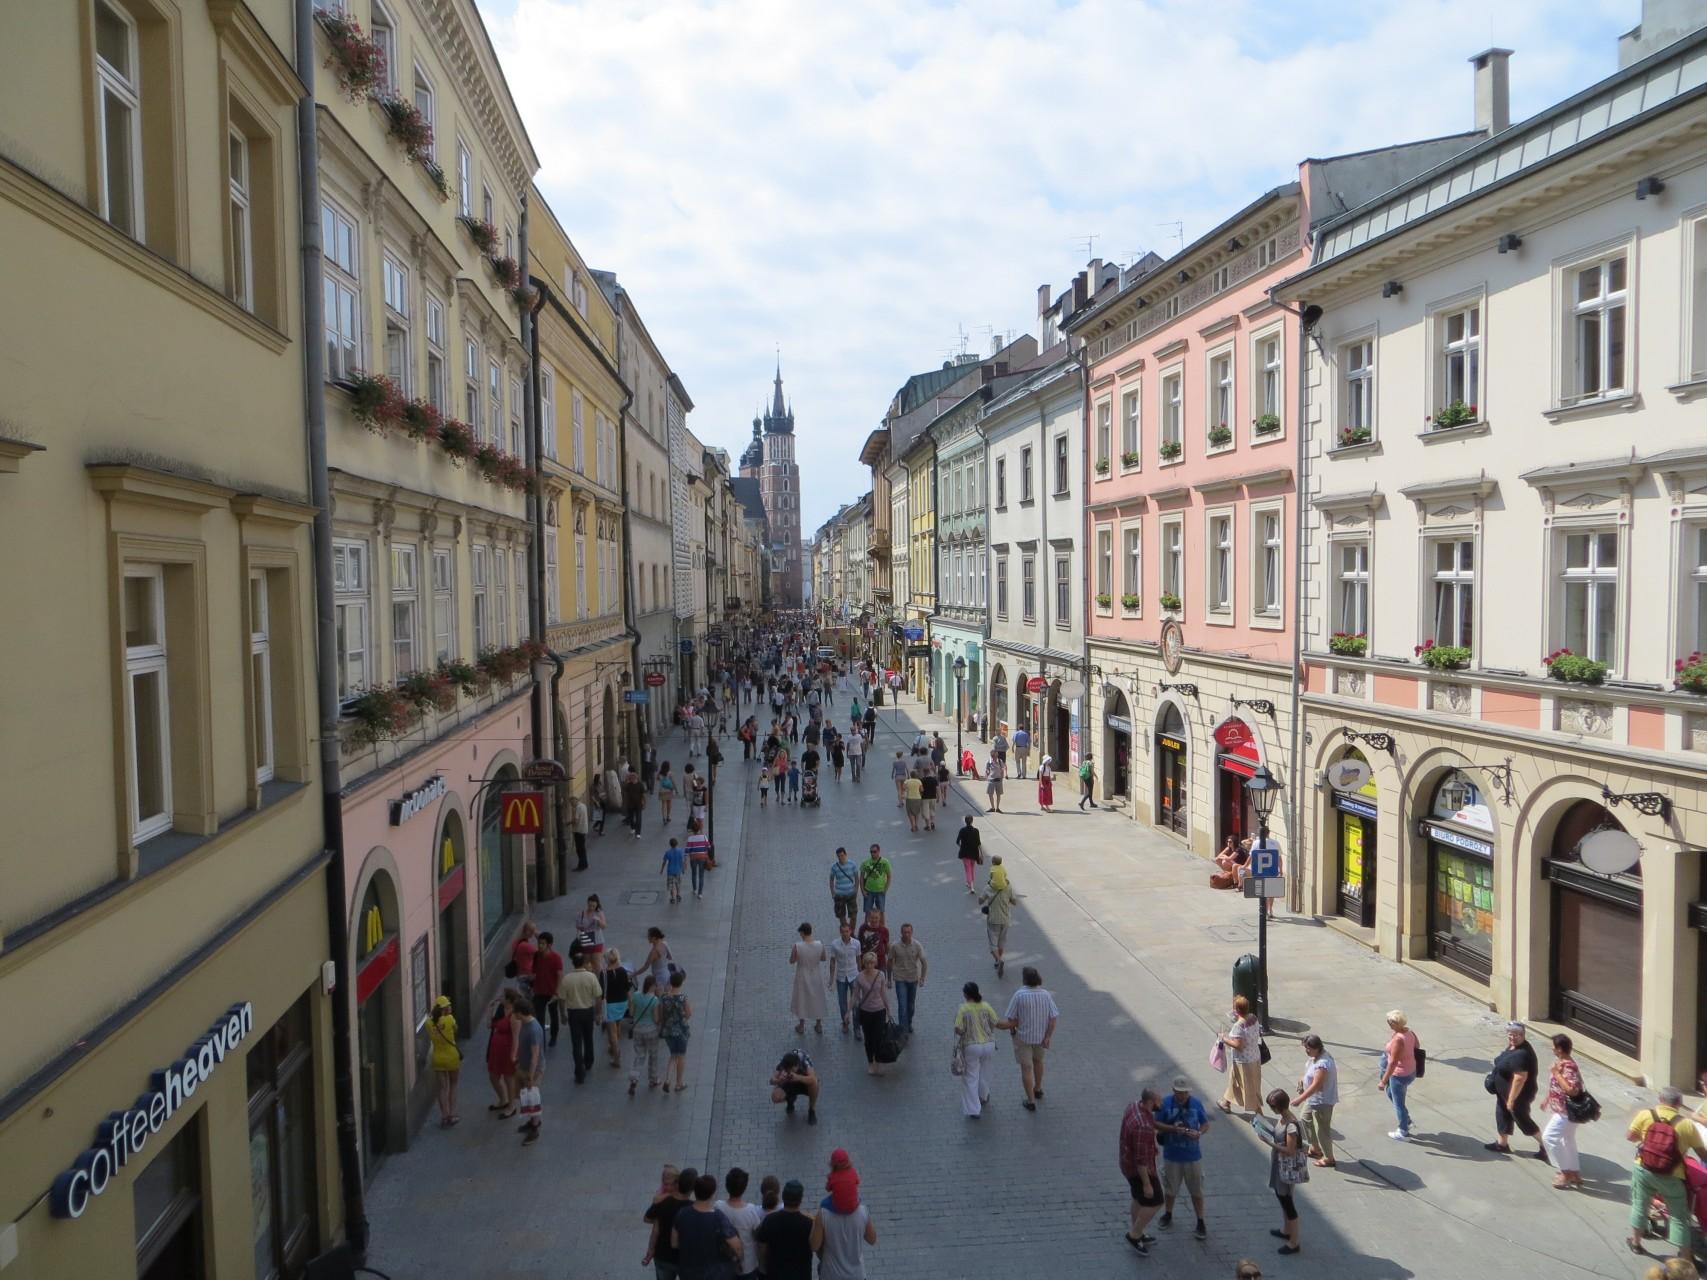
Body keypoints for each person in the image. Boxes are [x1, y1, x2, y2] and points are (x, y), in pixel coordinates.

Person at [1626, 1086, 1704, 1258]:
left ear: (1660, 1100)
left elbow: (1630, 1136)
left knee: (1639, 1205)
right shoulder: (1686, 1125)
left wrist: (1646, 1140)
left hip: (1643, 1168)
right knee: (1679, 1217)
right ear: (1679, 1104)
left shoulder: (1645, 1114)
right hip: (1672, 1176)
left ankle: (1636, 1243)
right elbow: (1702, 1154)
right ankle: (1685, 1257)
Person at [996, 966, 1058, 1110]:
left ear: (1024, 979)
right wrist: (1048, 1036)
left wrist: (1012, 1031)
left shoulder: (1019, 995)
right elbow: (1053, 1018)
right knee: (1038, 1062)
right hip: (1041, 1037)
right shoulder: (1046, 994)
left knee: (1026, 1068)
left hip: (1023, 1038)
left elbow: (1011, 1017)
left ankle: (1030, 1101)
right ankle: (1038, 1089)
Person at [1157, 1075, 1211, 1239]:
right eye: (1179, 1092)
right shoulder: (1165, 1103)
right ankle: (1168, 1213)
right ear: (1173, 1090)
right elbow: (1156, 1124)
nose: (1182, 1095)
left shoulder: (1196, 1103)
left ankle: (1200, 1220)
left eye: (1185, 1092)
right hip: (1172, 1155)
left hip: (1192, 1156)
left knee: (1197, 1190)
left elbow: (1205, 1123)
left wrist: (1199, 1133)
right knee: (1170, 1189)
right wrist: (1173, 1129)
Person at [1486, 1021, 1546, 1159]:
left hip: (1518, 1094)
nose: (1513, 1037)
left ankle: (1546, 1146)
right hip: (1505, 1093)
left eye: (1517, 1035)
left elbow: (1520, 1078)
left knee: (1522, 1119)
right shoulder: (1513, 1047)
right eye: (1510, 1034)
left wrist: (1511, 1100)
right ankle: (1502, 1143)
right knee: (1502, 1115)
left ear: (1523, 1035)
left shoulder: (1522, 1054)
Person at [1260, 1089, 1307, 1255]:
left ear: (1278, 1107)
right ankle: (1286, 1230)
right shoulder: (1284, 1118)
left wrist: (1269, 1143)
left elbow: (1290, 1150)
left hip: (1285, 1169)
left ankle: (1294, 1242)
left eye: (1272, 1107)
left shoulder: (1291, 1125)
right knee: (1282, 1198)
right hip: (1279, 1166)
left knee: (1287, 1202)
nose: (1271, 1109)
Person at [1119, 1087, 1164, 1255]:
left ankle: (1137, 1230)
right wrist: (1147, 1184)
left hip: (1126, 1162)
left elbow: (1150, 1125)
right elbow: (1141, 1160)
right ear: (1151, 1102)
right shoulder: (1143, 1126)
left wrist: (1156, 1139)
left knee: (1138, 1198)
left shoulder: (1134, 1106)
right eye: (1159, 1100)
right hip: (1139, 1170)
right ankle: (1134, 1235)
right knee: (1156, 1201)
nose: (1161, 1103)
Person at [1541, 1032, 1588, 1188]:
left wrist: (1556, 1073)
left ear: (1560, 1049)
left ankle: (1565, 1172)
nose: (1552, 1049)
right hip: (1564, 1110)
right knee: (1567, 1139)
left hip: (1566, 1112)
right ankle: (1574, 1173)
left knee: (1549, 1137)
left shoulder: (1568, 1066)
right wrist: (1548, 1098)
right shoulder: (1561, 1062)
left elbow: (1572, 1090)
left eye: (1553, 1047)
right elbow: (1557, 1086)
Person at [672, 1172, 740, 1279]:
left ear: (695, 1191)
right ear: (712, 1194)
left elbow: (674, 1244)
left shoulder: (682, 1213)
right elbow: (737, 1247)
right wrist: (737, 1259)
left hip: (688, 1273)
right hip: (713, 1274)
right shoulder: (718, 1218)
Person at [1292, 1034, 1339, 1168]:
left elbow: (1317, 1085)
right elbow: (1310, 1074)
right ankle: (1315, 1148)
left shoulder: (1322, 1064)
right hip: (1313, 1099)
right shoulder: (1316, 1057)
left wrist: (1300, 1099)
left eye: (1308, 1048)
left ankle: (1329, 1158)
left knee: (1322, 1130)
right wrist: (1303, 1080)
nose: (1306, 1051)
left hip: (1322, 1101)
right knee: (1305, 1118)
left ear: (1317, 1047)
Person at [954, 981, 999, 1118]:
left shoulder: (963, 1008)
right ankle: (983, 1095)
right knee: (985, 1071)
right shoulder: (986, 1005)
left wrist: (964, 1032)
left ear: (965, 995)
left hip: (972, 1046)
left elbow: (958, 1028)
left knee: (971, 1076)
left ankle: (974, 1109)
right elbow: (995, 1022)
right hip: (989, 1044)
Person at [753, 1180, 815, 1280]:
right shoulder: (809, 1224)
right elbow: (815, 1247)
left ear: (782, 1197)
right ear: (800, 1200)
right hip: (801, 1275)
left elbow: (762, 1249)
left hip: (775, 1275)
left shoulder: (770, 1220)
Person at [558, 951, 603, 1085]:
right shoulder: (591, 977)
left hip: (574, 1013)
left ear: (573, 963)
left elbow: (561, 999)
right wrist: (598, 1013)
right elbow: (598, 997)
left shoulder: (567, 979)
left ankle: (579, 1072)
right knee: (588, 1038)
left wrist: (563, 1014)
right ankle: (589, 1061)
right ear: (584, 963)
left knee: (576, 1042)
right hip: (588, 1011)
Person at [1376, 1009, 1419, 1141]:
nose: (1388, 1023)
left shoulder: (1399, 1039)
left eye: (1391, 1022)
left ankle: (1403, 1130)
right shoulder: (1409, 1032)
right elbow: (1417, 1046)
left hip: (1399, 1075)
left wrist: (1383, 1081)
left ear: (1397, 1023)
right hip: (1410, 1070)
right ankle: (1407, 1120)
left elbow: (1393, 1062)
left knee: (1398, 1103)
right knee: (1391, 1094)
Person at [809, 1196, 875, 1280]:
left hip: (831, 1275)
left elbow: (814, 1246)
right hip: (857, 1275)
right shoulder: (862, 1211)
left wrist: (814, 1225)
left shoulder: (823, 1214)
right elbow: (872, 1239)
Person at [716, 1168, 765, 1280]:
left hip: (725, 1263)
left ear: (726, 1186)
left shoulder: (718, 1207)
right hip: (747, 1264)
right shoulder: (751, 1210)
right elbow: (757, 1235)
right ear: (744, 1188)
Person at [1219, 995, 1263, 1115]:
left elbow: (1239, 1045)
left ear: (1237, 1010)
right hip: (1254, 1057)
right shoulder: (1253, 1018)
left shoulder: (1238, 1026)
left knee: (1248, 1087)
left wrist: (1224, 1039)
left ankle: (1259, 1113)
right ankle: (1226, 1103)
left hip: (1244, 1062)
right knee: (1233, 1080)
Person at [852, 952, 895, 1075]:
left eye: (871, 963)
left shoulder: (881, 975)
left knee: (878, 1038)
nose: (869, 965)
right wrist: (848, 1011)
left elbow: (883, 993)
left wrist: (888, 1010)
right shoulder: (859, 977)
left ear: (875, 963)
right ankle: (870, 1062)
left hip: (879, 1010)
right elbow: (855, 995)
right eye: (867, 963)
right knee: (868, 1039)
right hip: (866, 1011)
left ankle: (878, 1061)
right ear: (864, 964)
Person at [425, 994, 461, 1127]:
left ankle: (444, 1116)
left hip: (438, 1057)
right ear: (445, 1008)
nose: (450, 1007)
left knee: (442, 1088)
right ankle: (452, 1114)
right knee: (453, 1085)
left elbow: (430, 1022)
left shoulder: (429, 1023)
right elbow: (456, 1029)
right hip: (451, 1056)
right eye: (448, 1006)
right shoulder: (450, 1019)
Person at [513, 997, 544, 1146]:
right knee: (526, 1098)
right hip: (524, 1067)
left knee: (533, 1099)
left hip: (533, 1070)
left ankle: (535, 1128)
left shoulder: (533, 1029)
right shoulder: (525, 1024)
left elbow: (535, 1055)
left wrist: (531, 1077)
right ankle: (532, 1122)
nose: (514, 1015)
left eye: (515, 1012)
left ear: (520, 1012)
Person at [627, 975, 664, 1096]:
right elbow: (656, 1018)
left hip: (637, 1030)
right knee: (653, 1055)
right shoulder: (654, 1000)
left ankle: (634, 1079)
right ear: (652, 986)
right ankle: (653, 1079)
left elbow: (631, 1013)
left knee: (639, 1056)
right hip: (651, 1031)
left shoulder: (636, 995)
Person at [789, 922, 828, 1035]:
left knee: (802, 999)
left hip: (802, 974)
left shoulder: (797, 946)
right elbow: (823, 958)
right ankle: (818, 1024)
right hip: (815, 974)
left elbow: (792, 961)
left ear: (802, 933)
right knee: (818, 998)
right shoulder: (820, 944)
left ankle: (801, 1025)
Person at [888, 923, 927, 1036]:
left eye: (908, 932)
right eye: (904, 932)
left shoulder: (917, 945)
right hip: (900, 978)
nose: (906, 934)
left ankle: (908, 1022)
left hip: (913, 979)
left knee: (911, 1006)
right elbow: (889, 962)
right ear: (901, 933)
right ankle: (902, 1030)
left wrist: (922, 978)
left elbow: (924, 962)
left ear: (912, 932)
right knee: (902, 1005)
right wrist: (889, 979)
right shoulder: (895, 946)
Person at [659, 967, 692, 1093]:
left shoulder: (664, 997)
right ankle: (679, 1083)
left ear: (671, 983)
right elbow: (688, 1014)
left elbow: (661, 1014)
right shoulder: (683, 998)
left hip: (668, 1031)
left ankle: (667, 1080)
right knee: (681, 1056)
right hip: (681, 1031)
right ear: (681, 982)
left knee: (673, 1055)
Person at [485, 990, 518, 1116]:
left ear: (508, 1000)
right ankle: (503, 1099)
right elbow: (489, 1025)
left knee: (509, 1078)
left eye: (502, 996)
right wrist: (490, 1009)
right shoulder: (500, 1009)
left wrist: (514, 1055)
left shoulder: (515, 1015)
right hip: (496, 1050)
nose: (499, 997)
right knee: (493, 1076)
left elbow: (516, 1037)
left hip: (508, 1050)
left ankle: (512, 1106)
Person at [980, 856, 1015, 977]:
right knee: (1001, 942)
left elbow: (980, 901)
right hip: (1005, 919)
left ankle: (998, 960)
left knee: (992, 944)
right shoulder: (1008, 887)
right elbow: (1014, 902)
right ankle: (998, 961)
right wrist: (1006, 900)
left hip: (993, 920)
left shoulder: (988, 887)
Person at [828, 920, 861, 1035]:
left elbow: (858, 959)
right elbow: (832, 961)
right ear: (840, 932)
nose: (845, 934)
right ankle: (845, 1022)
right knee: (842, 1003)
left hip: (854, 975)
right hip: (841, 977)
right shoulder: (835, 944)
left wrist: (861, 974)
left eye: (847, 931)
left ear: (850, 931)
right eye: (843, 932)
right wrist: (831, 978)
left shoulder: (856, 943)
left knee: (856, 1003)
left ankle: (857, 1027)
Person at [530, 932, 564, 1047]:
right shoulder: (537, 956)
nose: (540, 946)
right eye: (539, 943)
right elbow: (534, 972)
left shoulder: (556, 958)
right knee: (539, 1018)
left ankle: (553, 1036)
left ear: (549, 945)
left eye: (543, 943)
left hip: (551, 992)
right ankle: (541, 1041)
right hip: (539, 991)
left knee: (553, 1015)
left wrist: (556, 993)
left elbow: (560, 975)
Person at [770, 1048, 820, 1124]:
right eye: (788, 1070)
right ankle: (790, 1099)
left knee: (815, 1084)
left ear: (797, 1065)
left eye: (792, 1070)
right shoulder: (783, 1062)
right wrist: (779, 1080)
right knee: (775, 1097)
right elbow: (771, 1080)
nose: (790, 1072)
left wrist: (798, 1077)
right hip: (790, 1083)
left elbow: (813, 1079)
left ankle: (811, 1110)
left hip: (803, 1082)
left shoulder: (804, 1060)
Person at [602, 949, 631, 1069]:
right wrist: (630, 1004)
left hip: (610, 1005)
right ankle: (613, 1047)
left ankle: (616, 1057)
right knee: (617, 1024)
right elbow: (627, 988)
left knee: (611, 1033)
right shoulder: (623, 971)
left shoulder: (604, 974)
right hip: (622, 1003)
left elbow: (601, 992)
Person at [829, 847, 859, 925]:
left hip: (851, 894)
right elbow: (831, 880)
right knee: (841, 915)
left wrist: (856, 890)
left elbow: (857, 878)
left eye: (842, 855)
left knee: (853, 916)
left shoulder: (852, 864)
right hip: (839, 895)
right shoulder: (834, 867)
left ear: (845, 855)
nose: (840, 858)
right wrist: (833, 893)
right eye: (838, 856)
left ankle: (851, 931)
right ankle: (845, 930)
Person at [859, 845, 892, 915]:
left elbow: (889, 876)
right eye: (871, 852)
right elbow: (861, 877)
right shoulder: (865, 862)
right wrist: (863, 891)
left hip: (880, 891)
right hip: (868, 891)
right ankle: (867, 923)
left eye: (874, 851)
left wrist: (885, 889)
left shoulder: (885, 862)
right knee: (867, 912)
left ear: (879, 851)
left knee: (881, 912)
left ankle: (882, 923)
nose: (872, 853)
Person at [856, 909, 890, 976]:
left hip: (880, 962)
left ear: (880, 918)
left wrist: (888, 958)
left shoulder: (884, 930)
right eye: (872, 917)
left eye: (876, 918)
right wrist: (859, 963)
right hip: (866, 962)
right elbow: (859, 945)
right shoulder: (863, 928)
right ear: (868, 918)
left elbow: (886, 946)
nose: (874, 920)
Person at [645, 926, 675, 994]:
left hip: (659, 977)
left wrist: (633, 974)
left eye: (649, 936)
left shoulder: (654, 951)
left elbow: (645, 967)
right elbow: (670, 957)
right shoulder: (664, 943)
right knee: (666, 996)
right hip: (667, 974)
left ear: (654, 938)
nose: (647, 938)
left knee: (659, 998)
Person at [686, 821, 712, 900]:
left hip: (693, 858)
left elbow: (687, 850)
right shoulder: (704, 837)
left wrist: (685, 859)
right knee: (701, 875)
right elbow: (709, 847)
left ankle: (694, 889)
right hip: (702, 858)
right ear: (699, 829)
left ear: (692, 830)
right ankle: (700, 894)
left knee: (694, 874)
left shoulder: (690, 838)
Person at [956, 815, 982, 892]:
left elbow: (957, 842)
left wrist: (961, 847)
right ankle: (970, 883)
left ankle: (971, 886)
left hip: (965, 853)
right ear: (972, 821)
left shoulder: (962, 830)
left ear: (965, 821)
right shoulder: (976, 831)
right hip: (974, 853)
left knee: (967, 869)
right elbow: (978, 843)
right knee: (972, 868)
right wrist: (981, 853)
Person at [624, 768, 647, 839]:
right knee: (631, 818)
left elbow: (643, 795)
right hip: (630, 804)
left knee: (638, 818)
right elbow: (624, 790)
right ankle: (633, 827)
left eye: (633, 778)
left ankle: (638, 833)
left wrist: (644, 803)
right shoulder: (628, 785)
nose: (632, 779)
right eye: (631, 778)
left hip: (638, 804)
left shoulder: (640, 785)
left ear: (636, 778)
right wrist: (626, 780)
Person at [571, 794, 591, 870]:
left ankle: (581, 866)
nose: (571, 805)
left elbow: (576, 821)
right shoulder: (583, 806)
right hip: (584, 830)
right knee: (582, 849)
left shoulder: (578, 808)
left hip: (578, 830)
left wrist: (568, 823)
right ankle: (585, 864)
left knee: (579, 849)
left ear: (575, 800)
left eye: (571, 803)